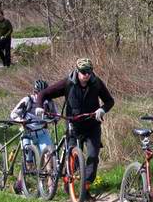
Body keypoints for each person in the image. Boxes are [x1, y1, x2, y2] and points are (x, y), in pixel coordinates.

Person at [35, 58, 114, 191]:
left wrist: (102, 109)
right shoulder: (68, 83)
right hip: (74, 125)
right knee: (74, 158)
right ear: (77, 71)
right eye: (83, 72)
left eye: (89, 71)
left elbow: (110, 101)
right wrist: (39, 106)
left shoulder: (96, 83)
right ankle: (68, 180)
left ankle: (85, 188)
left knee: (93, 157)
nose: (86, 75)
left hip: (92, 125)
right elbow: (44, 93)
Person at [10, 80, 57, 194]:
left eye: (44, 93)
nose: (41, 96)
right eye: (38, 93)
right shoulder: (28, 100)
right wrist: (21, 121)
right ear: (34, 92)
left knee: (48, 156)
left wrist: (53, 119)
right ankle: (20, 184)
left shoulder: (49, 102)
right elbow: (13, 114)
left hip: (42, 133)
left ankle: (50, 185)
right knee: (28, 163)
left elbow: (56, 115)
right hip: (27, 132)